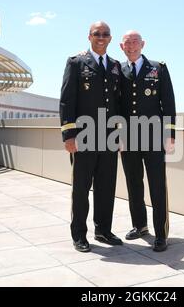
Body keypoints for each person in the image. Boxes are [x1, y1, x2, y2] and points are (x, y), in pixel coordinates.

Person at [60, 21, 123, 253]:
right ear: (89, 36)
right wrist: (68, 134)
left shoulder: (116, 66)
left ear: (110, 38)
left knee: (106, 187)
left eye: (105, 34)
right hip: (83, 137)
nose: (101, 37)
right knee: (81, 189)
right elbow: (67, 100)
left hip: (109, 138)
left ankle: (103, 230)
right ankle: (79, 235)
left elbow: (119, 104)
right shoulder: (76, 63)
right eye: (97, 34)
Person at [119, 31, 176, 252]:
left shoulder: (158, 68)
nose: (132, 46)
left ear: (142, 44)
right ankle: (140, 226)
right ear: (121, 47)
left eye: (135, 42)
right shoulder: (118, 70)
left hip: (154, 138)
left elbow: (168, 102)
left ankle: (161, 234)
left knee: (157, 186)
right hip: (128, 139)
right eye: (127, 43)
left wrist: (170, 134)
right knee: (134, 184)